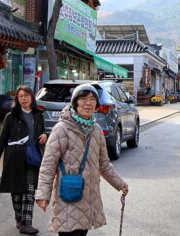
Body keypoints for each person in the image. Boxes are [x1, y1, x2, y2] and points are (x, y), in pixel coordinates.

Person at [35, 84, 128, 236]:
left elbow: (103, 163)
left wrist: (120, 184)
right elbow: (48, 164)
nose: (88, 103)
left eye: (92, 99)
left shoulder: (96, 130)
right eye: (83, 99)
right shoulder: (62, 129)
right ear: (75, 103)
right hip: (68, 196)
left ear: (97, 105)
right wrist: (42, 194)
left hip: (88, 199)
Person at [0, 86, 47, 235]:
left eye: (26, 95)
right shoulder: (11, 116)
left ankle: (27, 223)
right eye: (20, 96)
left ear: (32, 97)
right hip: (14, 158)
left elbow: (42, 132)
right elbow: (2, 139)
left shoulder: (38, 115)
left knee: (29, 190)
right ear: (17, 98)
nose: (23, 98)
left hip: (32, 157)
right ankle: (19, 220)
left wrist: (44, 136)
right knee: (16, 192)